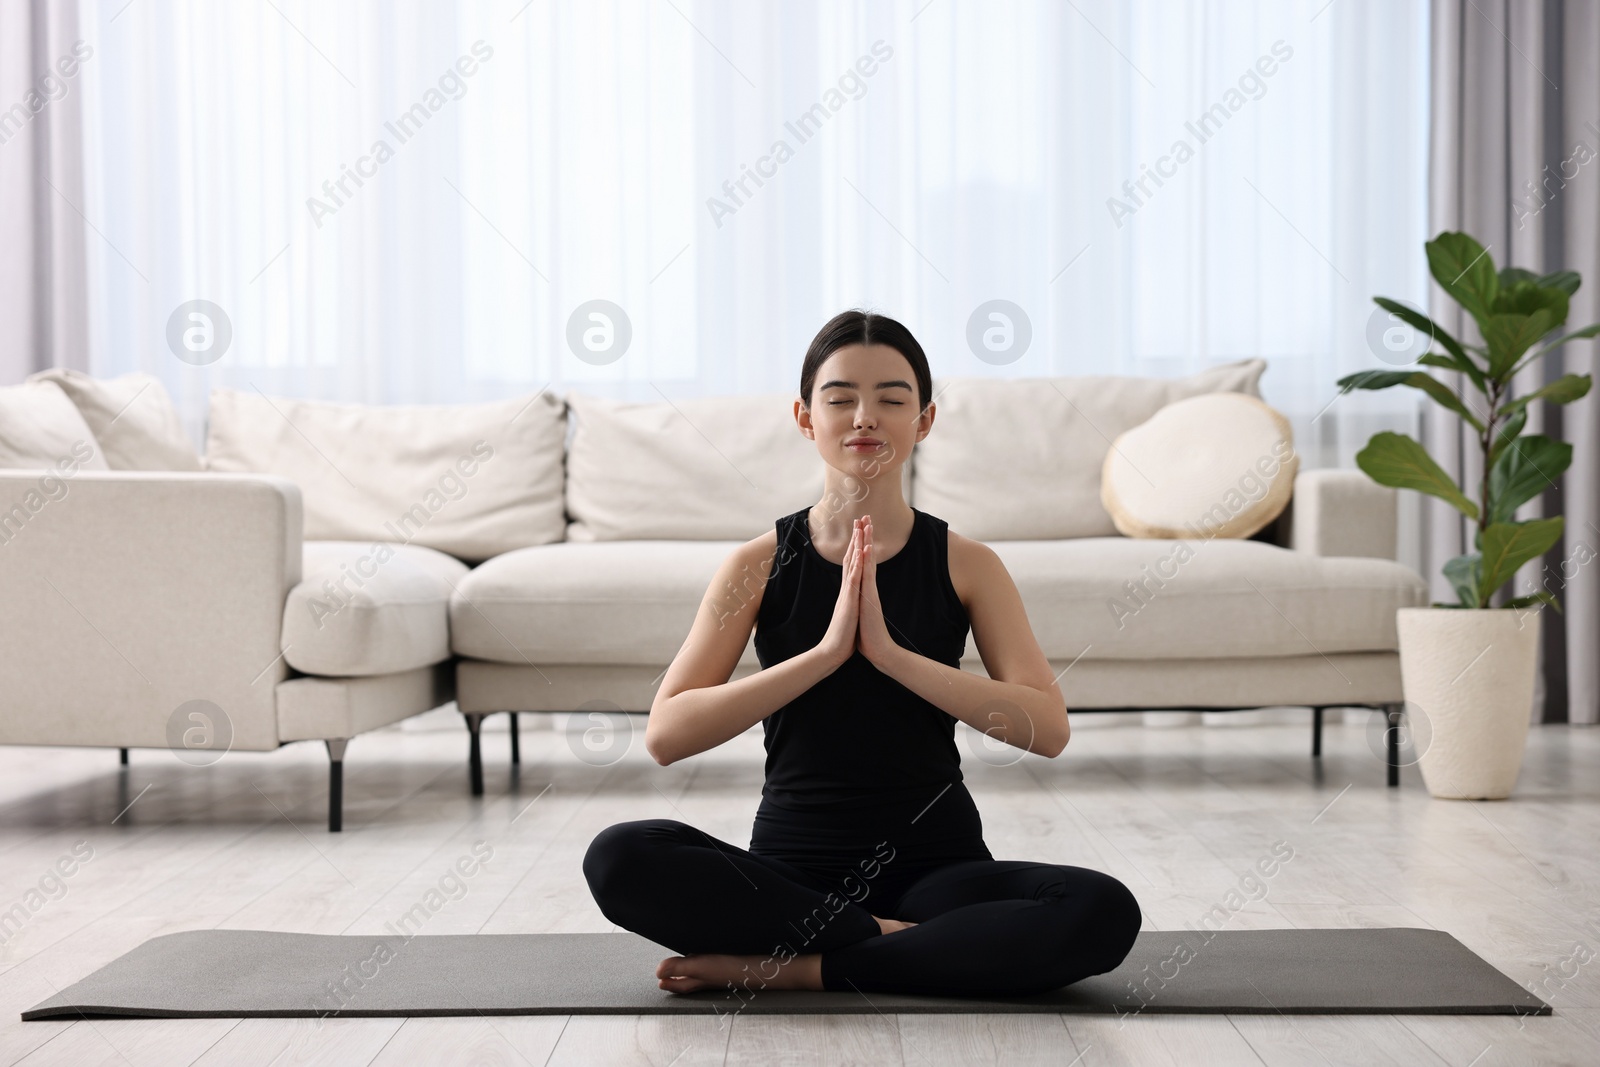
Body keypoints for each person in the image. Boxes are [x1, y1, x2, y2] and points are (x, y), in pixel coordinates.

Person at [582, 309, 1141, 999]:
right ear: (805, 416)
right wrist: (824, 654)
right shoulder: (756, 566)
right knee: (619, 855)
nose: (864, 417)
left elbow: (1046, 729)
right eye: (841, 398)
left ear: (925, 420)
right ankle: (887, 941)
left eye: (892, 399)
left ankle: (810, 966)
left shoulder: (968, 565)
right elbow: (667, 735)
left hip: (939, 871)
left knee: (1102, 909)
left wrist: (891, 654)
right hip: (792, 874)